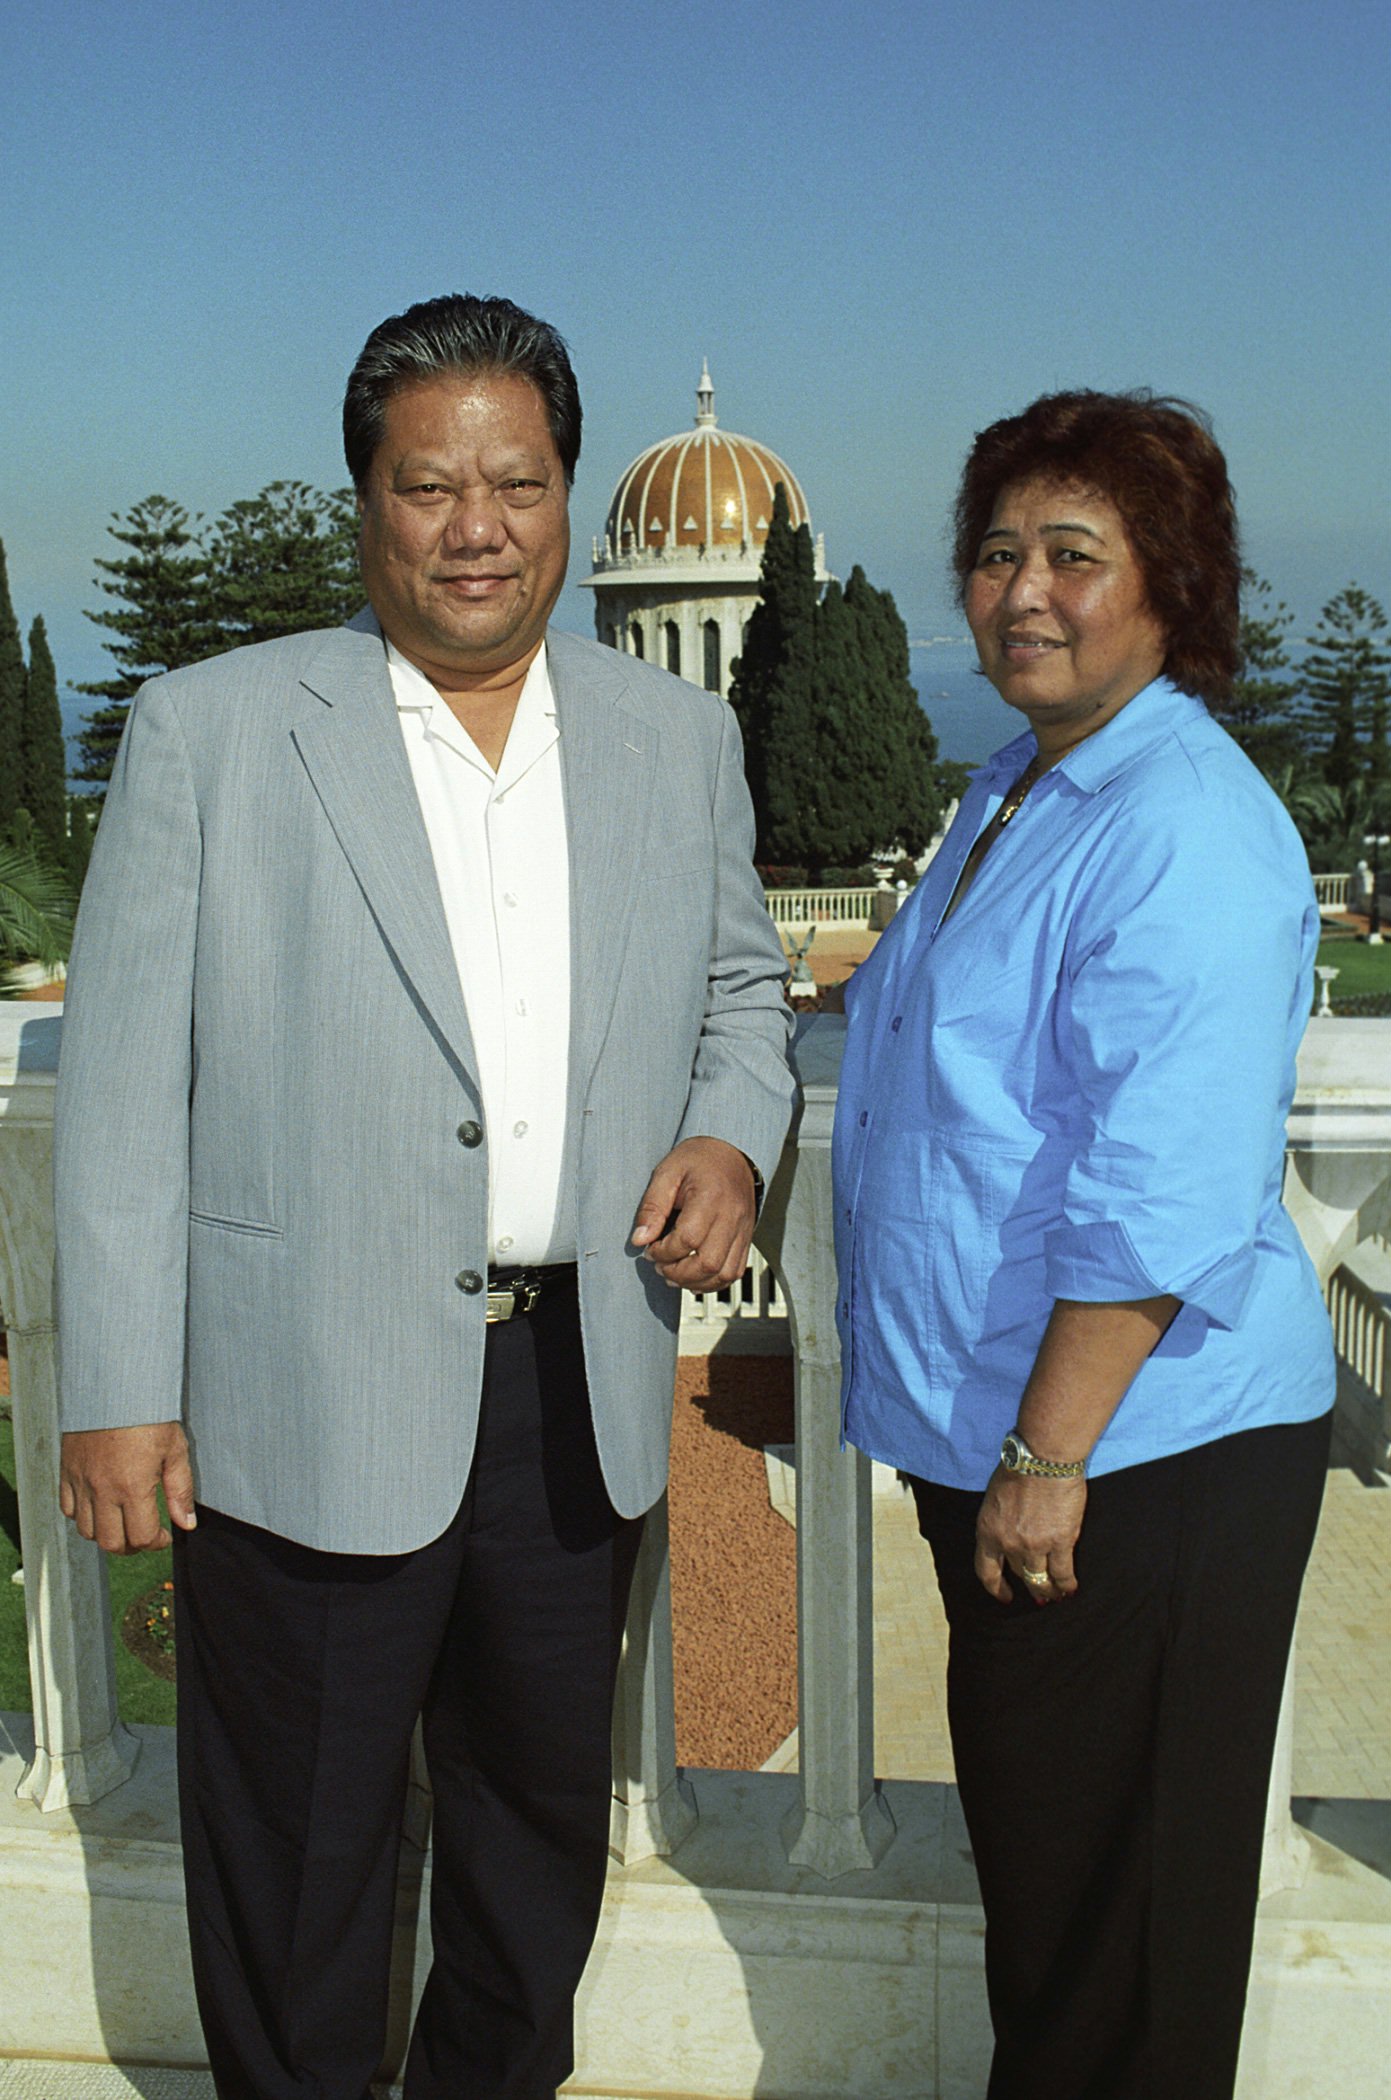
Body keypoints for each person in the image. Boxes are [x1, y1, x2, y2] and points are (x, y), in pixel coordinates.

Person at [54, 293, 795, 2100]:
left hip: (573, 1392)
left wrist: (728, 1135)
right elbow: (126, 1089)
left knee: (534, 1854)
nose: (479, 527)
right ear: (365, 503)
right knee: (296, 1861)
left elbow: (741, 995)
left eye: (518, 484)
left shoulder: (671, 740)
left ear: (566, 499)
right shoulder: (213, 731)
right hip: (299, 1387)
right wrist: (119, 1392)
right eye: (429, 486)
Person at [833, 390, 1334, 2100]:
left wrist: (1049, 1458)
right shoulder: (1025, 783)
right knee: (1061, 1917)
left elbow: (1159, 1187)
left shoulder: (1181, 822)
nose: (1022, 592)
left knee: (1122, 1947)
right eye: (995, 554)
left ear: (1172, 586)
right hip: (1021, 1444)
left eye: (1073, 554)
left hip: (1132, 1460)